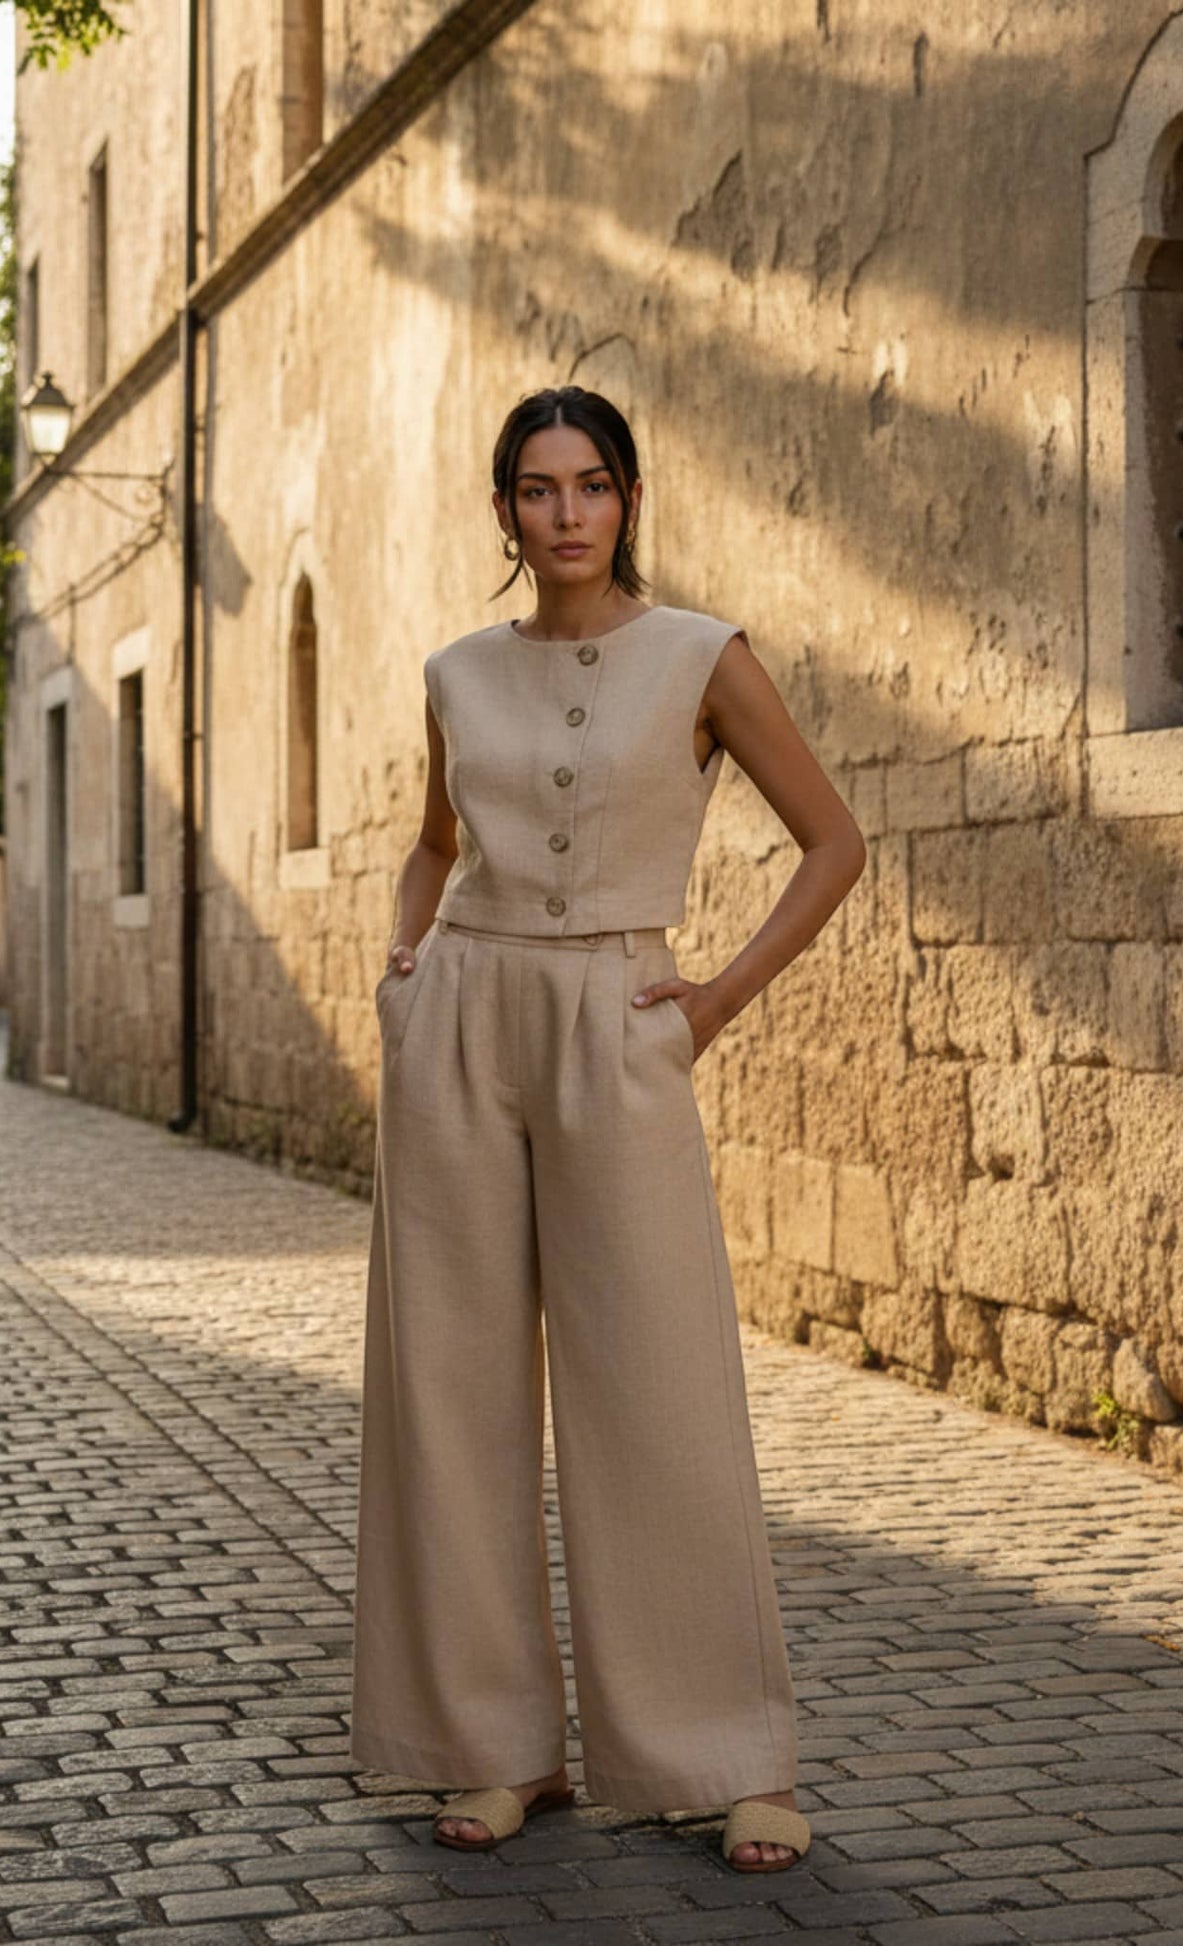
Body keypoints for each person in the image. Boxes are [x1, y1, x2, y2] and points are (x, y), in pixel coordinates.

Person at [350, 385, 865, 1873]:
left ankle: (727, 1753)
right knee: (448, 1396)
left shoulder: (702, 657)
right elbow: (434, 842)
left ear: (627, 495)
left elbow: (833, 842)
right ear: (502, 510)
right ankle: (493, 1746)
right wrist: (403, 958)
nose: (563, 512)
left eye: (588, 483)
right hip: (458, 1017)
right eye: (533, 488)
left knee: (657, 1383)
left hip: (618, 1017)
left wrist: (710, 1001)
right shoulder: (454, 670)